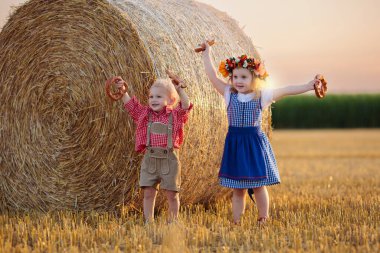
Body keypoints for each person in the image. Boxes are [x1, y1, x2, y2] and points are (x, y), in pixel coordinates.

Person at [200, 41, 324, 225]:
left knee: (259, 185)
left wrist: (308, 86)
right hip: (235, 143)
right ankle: (236, 221)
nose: (239, 81)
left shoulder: (262, 96)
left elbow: (286, 90)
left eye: (243, 77)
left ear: (254, 79)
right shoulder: (228, 94)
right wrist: (206, 53)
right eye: (235, 77)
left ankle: (263, 217)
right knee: (237, 189)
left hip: (254, 145)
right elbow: (212, 76)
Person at [115, 73, 192, 223]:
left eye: (158, 96)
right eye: (151, 97)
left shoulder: (175, 115)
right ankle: (148, 222)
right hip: (149, 159)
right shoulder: (145, 114)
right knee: (148, 193)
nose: (153, 100)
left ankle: (173, 222)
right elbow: (131, 106)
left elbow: (186, 106)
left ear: (170, 100)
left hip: (169, 160)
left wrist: (180, 90)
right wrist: (123, 91)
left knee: (172, 194)